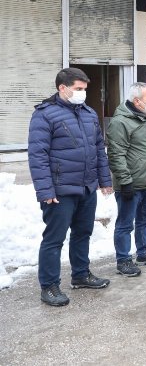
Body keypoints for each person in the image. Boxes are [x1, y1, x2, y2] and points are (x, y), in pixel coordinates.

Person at [28, 67, 112, 307]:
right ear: (62, 88)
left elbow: (99, 149)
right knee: (54, 239)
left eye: (85, 89)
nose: (83, 93)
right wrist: (45, 191)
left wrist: (104, 180)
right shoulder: (45, 115)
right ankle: (50, 286)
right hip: (60, 190)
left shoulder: (88, 113)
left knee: (83, 233)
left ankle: (81, 274)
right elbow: (38, 156)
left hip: (86, 187)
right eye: (78, 89)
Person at [107, 82, 146, 277]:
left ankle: (144, 252)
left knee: (145, 218)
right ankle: (123, 260)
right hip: (130, 184)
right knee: (125, 223)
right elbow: (116, 155)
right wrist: (125, 182)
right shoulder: (120, 122)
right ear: (137, 101)